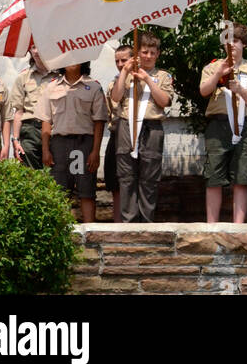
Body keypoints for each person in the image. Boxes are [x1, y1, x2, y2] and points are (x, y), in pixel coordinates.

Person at [201, 22, 247, 224]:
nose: (232, 45)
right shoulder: (213, 66)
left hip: (244, 124)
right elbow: (204, 91)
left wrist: (241, 91)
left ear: (243, 44)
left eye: (236, 41)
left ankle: (238, 226)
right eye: (228, 40)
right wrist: (219, 73)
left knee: (242, 176)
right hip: (218, 126)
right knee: (213, 176)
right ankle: (212, 225)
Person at [111, 32, 173, 223]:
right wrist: (125, 72)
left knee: (149, 177)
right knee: (126, 177)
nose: (148, 56)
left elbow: (164, 101)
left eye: (152, 53)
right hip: (126, 125)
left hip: (151, 127)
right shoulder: (126, 74)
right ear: (137, 53)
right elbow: (115, 97)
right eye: (144, 52)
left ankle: (147, 221)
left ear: (158, 54)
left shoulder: (163, 76)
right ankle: (128, 221)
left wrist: (147, 79)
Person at [38, 61, 106, 222]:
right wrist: (46, 150)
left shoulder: (94, 87)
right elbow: (46, 121)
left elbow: (99, 122)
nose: (72, 61)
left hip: (83, 144)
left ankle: (90, 232)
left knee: (86, 190)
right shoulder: (52, 87)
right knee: (59, 191)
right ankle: (62, 233)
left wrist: (95, 151)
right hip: (59, 144)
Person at [8, 48, 53, 168]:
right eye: (33, 47)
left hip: (54, 130)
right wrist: (15, 139)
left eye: (39, 46)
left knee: (54, 175)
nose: (37, 51)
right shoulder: (23, 77)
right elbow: (18, 111)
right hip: (30, 129)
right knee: (30, 173)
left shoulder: (59, 76)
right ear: (29, 51)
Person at [103, 44, 132, 221]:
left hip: (135, 133)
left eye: (124, 60)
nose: (121, 64)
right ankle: (117, 223)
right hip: (117, 133)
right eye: (117, 61)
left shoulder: (141, 80)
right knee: (115, 181)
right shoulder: (114, 83)